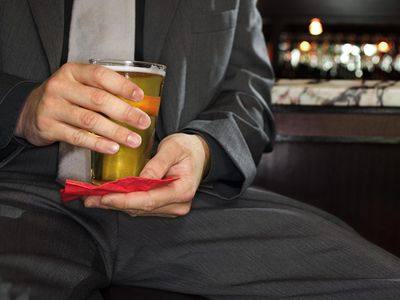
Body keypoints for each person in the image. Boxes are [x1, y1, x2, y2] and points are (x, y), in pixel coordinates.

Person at [1, 0, 400, 299]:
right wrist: (22, 109)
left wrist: (203, 149)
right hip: (23, 194)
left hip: (187, 205)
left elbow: (250, 94)